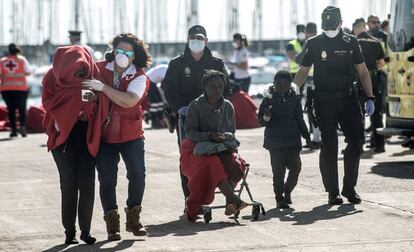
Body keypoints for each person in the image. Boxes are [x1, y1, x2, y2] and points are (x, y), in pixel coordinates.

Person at [293, 6, 375, 205]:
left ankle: (349, 188)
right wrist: (294, 89)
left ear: (340, 23)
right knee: (329, 146)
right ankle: (333, 192)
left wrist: (370, 97)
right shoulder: (313, 43)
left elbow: (362, 71)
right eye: (326, 24)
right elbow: (304, 70)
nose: (330, 28)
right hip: (324, 100)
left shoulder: (351, 41)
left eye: (332, 24)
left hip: (349, 100)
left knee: (356, 142)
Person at [82, 33, 151, 240]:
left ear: (135, 56)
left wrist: (103, 88)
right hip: (104, 136)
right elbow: (83, 90)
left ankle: (133, 218)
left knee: (138, 175)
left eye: (127, 52)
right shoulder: (99, 68)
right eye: (119, 50)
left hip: (131, 134)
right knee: (107, 180)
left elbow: (129, 100)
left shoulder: (139, 76)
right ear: (113, 51)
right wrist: (90, 96)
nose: (122, 55)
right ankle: (112, 225)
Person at [42, 45, 108, 245]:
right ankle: (69, 232)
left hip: (86, 134)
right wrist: (71, 106)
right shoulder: (51, 77)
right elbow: (48, 103)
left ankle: (85, 232)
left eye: (81, 66)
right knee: (68, 185)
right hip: (63, 137)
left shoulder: (92, 75)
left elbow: (96, 102)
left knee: (87, 184)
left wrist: (88, 101)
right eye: (74, 67)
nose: (78, 71)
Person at [162, 25, 229, 203]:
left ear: (206, 41)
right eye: (193, 37)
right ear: (187, 40)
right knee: (188, 157)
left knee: (217, 153)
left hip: (212, 117)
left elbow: (227, 88)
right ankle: (190, 199)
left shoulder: (216, 63)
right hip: (185, 117)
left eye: (200, 38)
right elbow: (168, 88)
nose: (196, 41)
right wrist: (178, 108)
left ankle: (218, 193)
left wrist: (220, 108)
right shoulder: (177, 63)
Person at [180, 70, 247, 221]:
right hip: (196, 150)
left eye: (220, 87)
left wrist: (224, 137)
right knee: (213, 163)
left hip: (221, 147)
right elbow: (190, 133)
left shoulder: (228, 106)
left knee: (237, 165)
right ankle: (233, 199)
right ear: (204, 87)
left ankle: (230, 201)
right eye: (212, 87)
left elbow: (231, 131)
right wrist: (209, 136)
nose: (217, 90)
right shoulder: (195, 105)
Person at [258, 70, 311, 209]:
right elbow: (261, 122)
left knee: (296, 168)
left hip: (293, 140)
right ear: (274, 84)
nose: (281, 86)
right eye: (278, 83)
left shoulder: (294, 99)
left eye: (285, 84)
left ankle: (287, 191)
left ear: (290, 84)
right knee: (278, 172)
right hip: (275, 142)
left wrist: (306, 135)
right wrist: (267, 116)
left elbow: (300, 118)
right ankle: (279, 197)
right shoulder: (268, 99)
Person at [353, 18, 386, 153]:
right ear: (365, 27)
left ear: (356, 28)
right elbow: (381, 64)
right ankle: (379, 144)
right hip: (373, 80)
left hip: (357, 81)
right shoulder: (376, 42)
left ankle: (358, 145)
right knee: (376, 114)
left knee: (357, 114)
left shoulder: (353, 42)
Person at [295, 22, 322, 148]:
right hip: (324, 81)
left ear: (306, 31)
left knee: (312, 110)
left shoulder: (310, 42)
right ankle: (319, 137)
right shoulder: (324, 39)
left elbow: (299, 59)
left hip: (311, 81)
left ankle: (316, 138)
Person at [0, 43, 31, 137]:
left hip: (6, 89)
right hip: (20, 89)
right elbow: (28, 72)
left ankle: (13, 130)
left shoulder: (2, 61)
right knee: (22, 109)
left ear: (8, 51)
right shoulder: (22, 60)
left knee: (11, 109)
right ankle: (22, 127)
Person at [145, 64, 168, 128]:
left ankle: (158, 120)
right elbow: (164, 87)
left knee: (159, 101)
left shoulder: (166, 68)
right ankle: (155, 122)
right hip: (148, 81)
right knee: (155, 102)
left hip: (151, 81)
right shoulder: (167, 71)